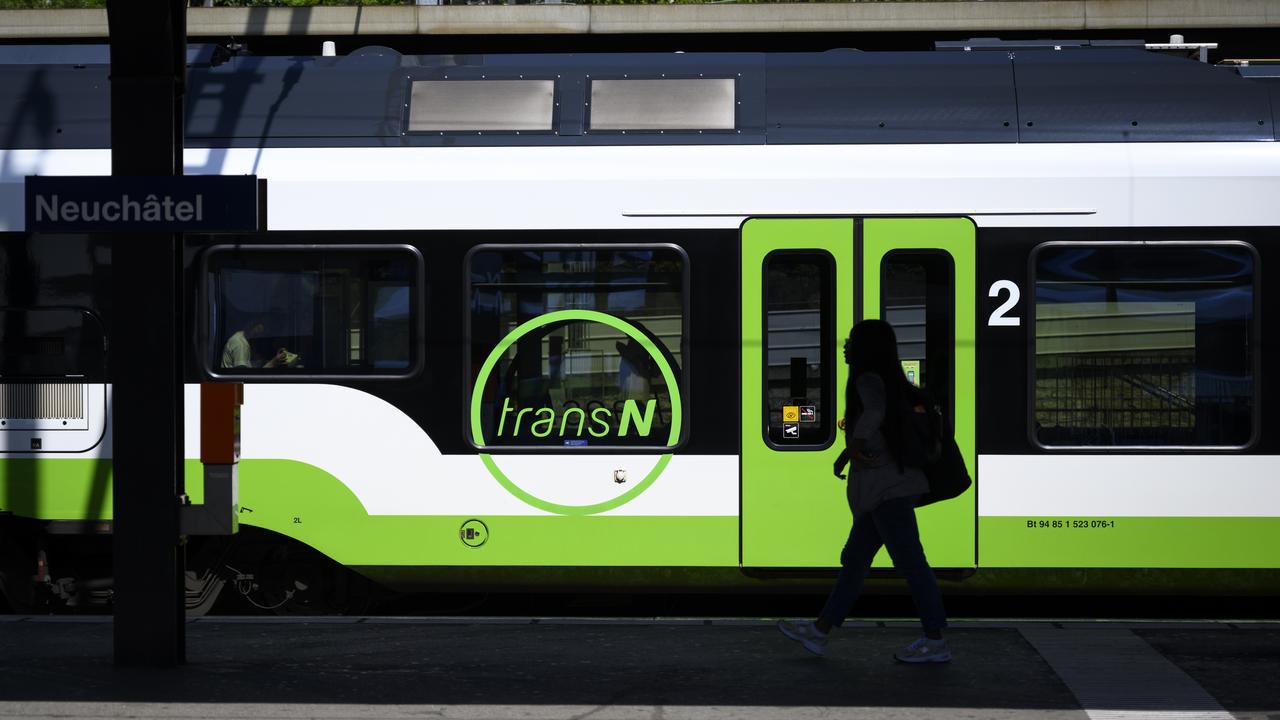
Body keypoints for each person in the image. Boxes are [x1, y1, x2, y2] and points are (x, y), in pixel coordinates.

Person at [777, 319, 950, 663]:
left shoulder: (867, 379)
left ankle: (936, 640)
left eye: (851, 340)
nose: (845, 346)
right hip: (886, 490)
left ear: (865, 348)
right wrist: (850, 452)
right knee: (855, 561)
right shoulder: (893, 382)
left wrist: (851, 447)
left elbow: (874, 412)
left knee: (912, 565)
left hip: (888, 491)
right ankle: (819, 632)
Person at [220, 319, 294, 369]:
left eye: (261, 332)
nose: (258, 334)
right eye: (257, 330)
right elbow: (244, 376)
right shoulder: (241, 345)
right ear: (250, 327)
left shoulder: (241, 335)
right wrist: (275, 361)